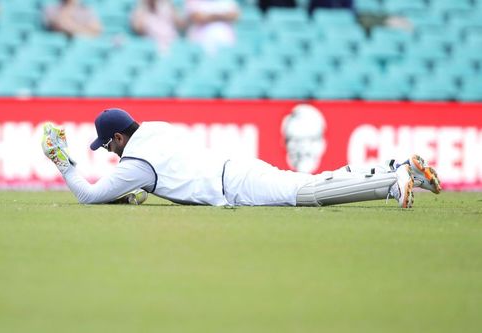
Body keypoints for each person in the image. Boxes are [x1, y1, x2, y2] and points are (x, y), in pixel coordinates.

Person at [41, 108, 441, 208]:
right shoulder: (154, 129)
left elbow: (89, 196)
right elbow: (149, 175)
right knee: (313, 181)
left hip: (233, 185)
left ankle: (393, 181)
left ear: (117, 137)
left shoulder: (133, 164)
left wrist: (64, 164)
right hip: (235, 169)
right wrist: (128, 195)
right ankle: (392, 168)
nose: (109, 153)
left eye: (107, 146)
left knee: (308, 193)